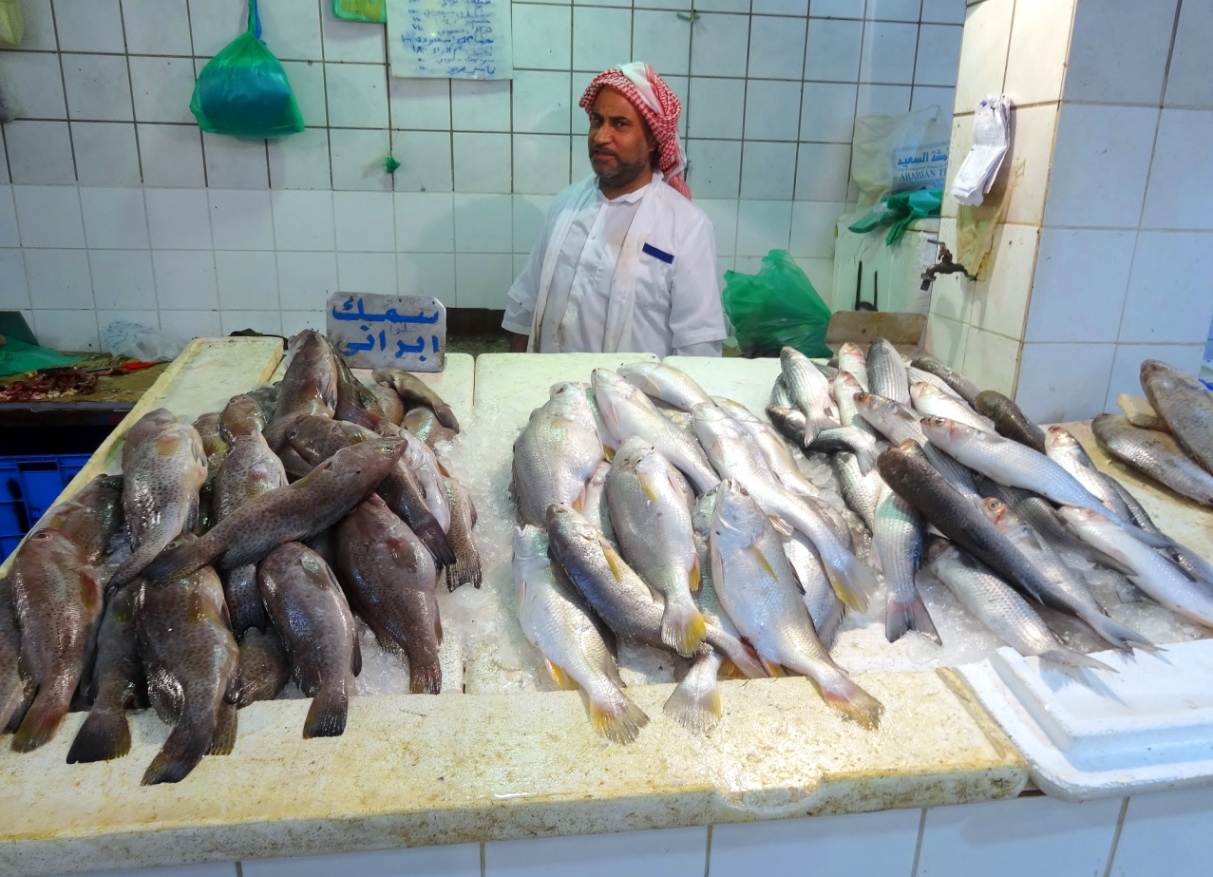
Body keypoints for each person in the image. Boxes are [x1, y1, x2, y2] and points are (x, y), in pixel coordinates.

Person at [502, 62, 727, 357]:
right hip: (552, 393)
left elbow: (698, 347)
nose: (600, 137)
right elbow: (526, 304)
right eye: (597, 121)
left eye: (620, 124)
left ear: (651, 141)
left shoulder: (687, 227)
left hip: (633, 398)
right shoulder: (566, 204)